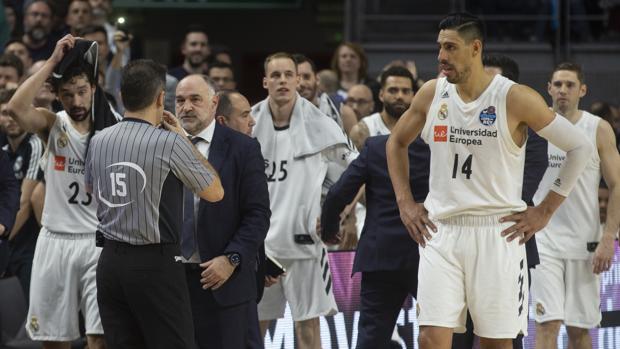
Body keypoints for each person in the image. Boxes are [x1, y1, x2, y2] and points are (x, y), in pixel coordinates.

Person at [386, 13, 592, 349]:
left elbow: (579, 147)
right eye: (439, 47)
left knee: (496, 343)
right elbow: (395, 143)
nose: (441, 56)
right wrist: (405, 203)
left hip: (498, 233)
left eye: (450, 48)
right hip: (442, 230)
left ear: (475, 48)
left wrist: (544, 211)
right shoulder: (431, 93)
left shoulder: (514, 97)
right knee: (430, 337)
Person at [85, 61, 223, 349]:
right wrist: (183, 139)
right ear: (162, 97)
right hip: (154, 265)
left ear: (122, 96)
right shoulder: (168, 143)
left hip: (109, 263)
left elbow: (90, 189)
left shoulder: (98, 140)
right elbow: (214, 191)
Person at [6, 34, 108, 349]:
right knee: (53, 340)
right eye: (67, 95)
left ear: (93, 89)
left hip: (98, 241)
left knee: (99, 338)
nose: (76, 102)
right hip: (55, 239)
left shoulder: (113, 126)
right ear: (57, 96)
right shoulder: (53, 123)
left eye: (81, 92)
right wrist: (51, 61)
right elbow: (15, 107)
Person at [253, 52, 356, 349]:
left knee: (308, 330)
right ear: (265, 81)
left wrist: (338, 212)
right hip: (261, 246)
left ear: (299, 80)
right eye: (275, 75)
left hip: (305, 243)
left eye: (288, 74)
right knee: (253, 327)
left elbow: (356, 169)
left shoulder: (319, 122)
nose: (282, 80)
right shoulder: (251, 120)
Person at [451, 53, 549, 349]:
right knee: (458, 335)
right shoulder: (461, 119)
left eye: (490, 79)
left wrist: (540, 211)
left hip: (506, 237)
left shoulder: (529, 126)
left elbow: (535, 170)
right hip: (460, 238)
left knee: (506, 335)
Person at [176, 74, 270, 349]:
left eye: (195, 99)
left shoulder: (243, 147)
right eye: (180, 101)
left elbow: (258, 214)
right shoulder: (162, 144)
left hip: (225, 280)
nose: (187, 107)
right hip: (174, 281)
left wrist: (231, 258)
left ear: (214, 103)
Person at [531, 62, 620, 349]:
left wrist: (609, 237)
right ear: (548, 89)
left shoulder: (598, 129)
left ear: (582, 89)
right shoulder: (533, 126)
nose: (563, 90)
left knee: (580, 330)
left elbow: (617, 184)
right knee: (547, 324)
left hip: (586, 242)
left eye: (570, 85)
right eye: (557, 84)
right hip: (543, 240)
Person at [321, 134, 430, 348]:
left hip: (381, 256)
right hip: (428, 252)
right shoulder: (442, 147)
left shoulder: (377, 147)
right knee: (440, 333)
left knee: (371, 339)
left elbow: (336, 195)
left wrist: (329, 229)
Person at [0, 88, 44, 299]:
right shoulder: (4, 151)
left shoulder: (34, 145)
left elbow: (25, 203)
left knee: (29, 311)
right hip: (8, 241)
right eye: (5, 114)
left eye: (15, 114)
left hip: (29, 242)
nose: (11, 120)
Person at [350, 66, 415, 151]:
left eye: (405, 91)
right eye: (393, 90)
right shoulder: (363, 130)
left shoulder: (423, 130)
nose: (400, 96)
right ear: (381, 95)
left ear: (413, 96)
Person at [293, 54, 357, 134]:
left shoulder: (343, 112)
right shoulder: (280, 116)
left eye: (306, 77)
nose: (302, 83)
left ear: (317, 79)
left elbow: (356, 145)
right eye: (296, 79)